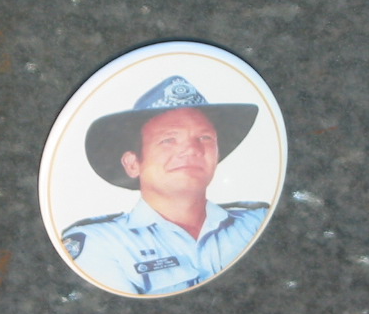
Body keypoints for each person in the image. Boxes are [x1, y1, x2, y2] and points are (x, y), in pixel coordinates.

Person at [62, 76, 269, 296]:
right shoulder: (101, 244)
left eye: (205, 137)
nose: (192, 149)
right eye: (168, 140)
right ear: (133, 164)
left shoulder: (258, 222)